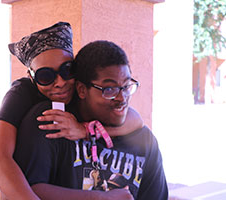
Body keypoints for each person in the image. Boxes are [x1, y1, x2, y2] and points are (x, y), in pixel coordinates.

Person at [0, 22, 143, 199]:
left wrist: (84, 130)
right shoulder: (20, 93)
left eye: (67, 70)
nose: (60, 82)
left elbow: (136, 121)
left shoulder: (78, 90)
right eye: (45, 76)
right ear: (31, 76)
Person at [12, 40, 168, 200]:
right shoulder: (53, 121)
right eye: (109, 89)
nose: (122, 98)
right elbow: (26, 190)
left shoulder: (144, 141)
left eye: (126, 86)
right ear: (81, 90)